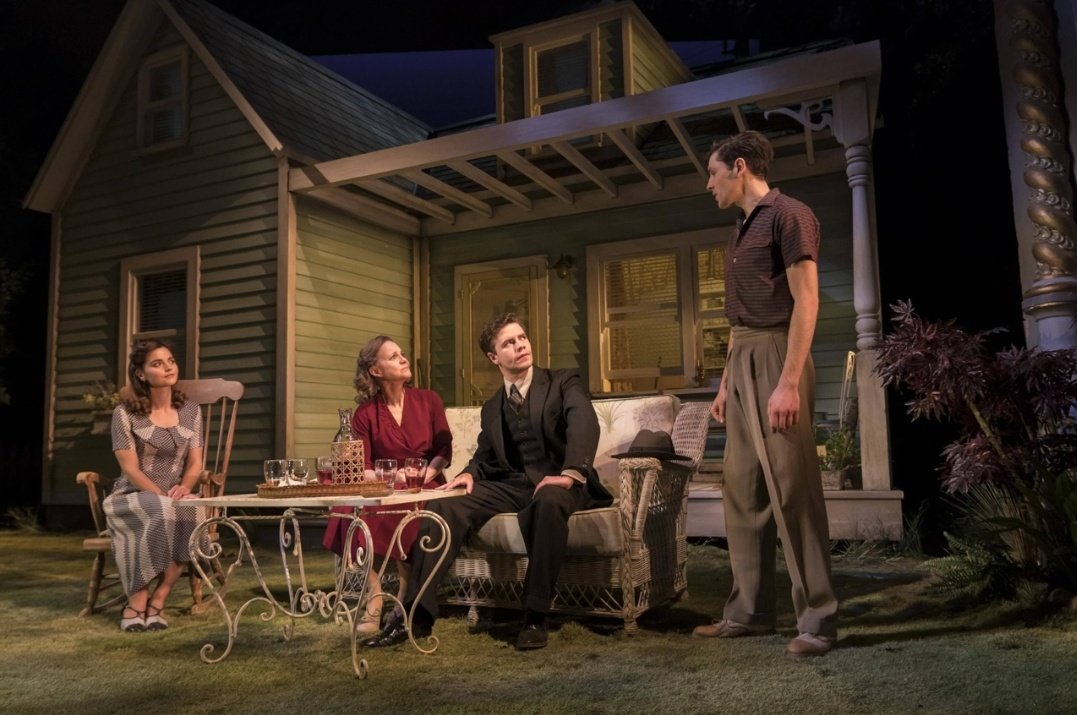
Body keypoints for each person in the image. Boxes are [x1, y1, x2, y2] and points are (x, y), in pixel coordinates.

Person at [364, 313, 611, 651]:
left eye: (522, 338)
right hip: (513, 485)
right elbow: (485, 455)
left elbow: (584, 423)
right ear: (494, 357)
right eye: (509, 343)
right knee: (444, 504)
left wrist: (570, 472)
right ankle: (416, 615)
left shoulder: (563, 382)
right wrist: (468, 473)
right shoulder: (493, 406)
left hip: (561, 482)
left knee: (548, 501)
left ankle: (535, 615)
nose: (520, 345)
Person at [693, 130, 839, 657]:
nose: (709, 184)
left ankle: (817, 621)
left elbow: (807, 301)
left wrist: (788, 382)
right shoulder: (739, 229)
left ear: (739, 167)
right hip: (744, 359)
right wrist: (727, 383)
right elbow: (738, 320)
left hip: (780, 355)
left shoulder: (788, 215)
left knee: (792, 488)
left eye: (713, 173)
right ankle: (749, 613)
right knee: (742, 488)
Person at [321, 336, 452, 636]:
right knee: (351, 507)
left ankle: (404, 594)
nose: (403, 359)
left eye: (402, 354)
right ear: (376, 371)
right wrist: (395, 478)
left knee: (409, 506)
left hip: (425, 482)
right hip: (385, 484)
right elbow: (362, 468)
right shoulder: (366, 413)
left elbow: (444, 450)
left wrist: (422, 476)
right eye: (393, 356)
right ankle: (376, 595)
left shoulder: (429, 400)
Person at [103, 339, 205, 632]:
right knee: (162, 508)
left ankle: (159, 599)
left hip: (175, 494)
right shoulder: (125, 414)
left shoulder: (191, 411)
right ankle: (137, 600)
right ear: (141, 374)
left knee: (192, 511)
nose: (168, 367)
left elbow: (195, 464)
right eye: (157, 364)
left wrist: (185, 487)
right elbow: (130, 469)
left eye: (170, 361)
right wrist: (161, 495)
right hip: (133, 494)